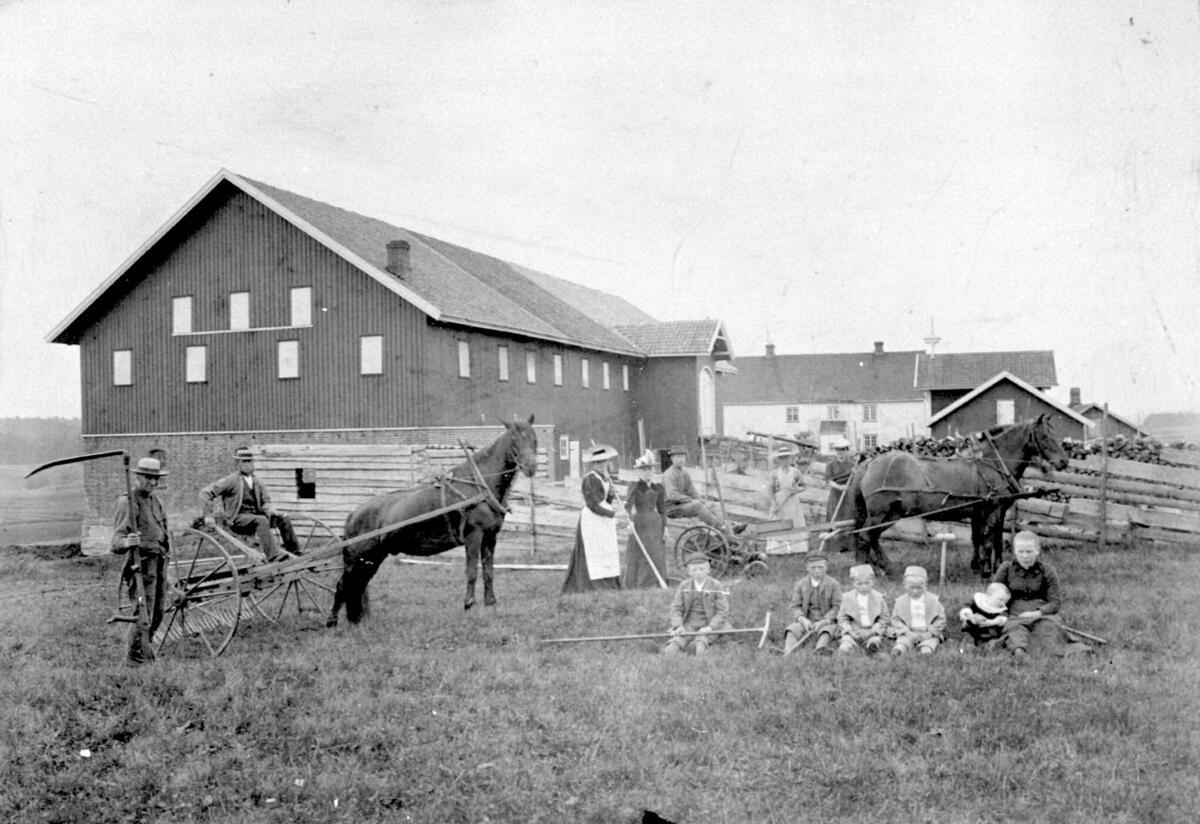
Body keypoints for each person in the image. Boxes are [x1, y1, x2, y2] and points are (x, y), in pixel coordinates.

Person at [111, 457, 170, 665]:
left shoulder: (156, 501)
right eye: (148, 478)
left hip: (159, 564)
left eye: (156, 479)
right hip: (141, 565)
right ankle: (134, 661)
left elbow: (163, 531)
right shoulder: (128, 501)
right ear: (137, 477)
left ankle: (145, 651)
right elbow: (116, 542)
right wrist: (128, 541)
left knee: (158, 613)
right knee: (142, 614)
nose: (153, 483)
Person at [200, 446, 300, 561]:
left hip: (256, 517)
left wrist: (270, 510)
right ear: (238, 463)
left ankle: (296, 553)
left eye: (250, 461)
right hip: (238, 520)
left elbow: (266, 500)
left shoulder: (257, 482)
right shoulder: (230, 480)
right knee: (261, 520)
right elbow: (205, 493)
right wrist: (208, 515)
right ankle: (274, 556)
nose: (247, 464)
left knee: (283, 517)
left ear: (253, 463)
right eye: (244, 462)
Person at [990, 531, 1067, 660]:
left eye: (1029, 552)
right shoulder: (1006, 569)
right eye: (1021, 551)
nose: (1025, 556)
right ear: (1015, 551)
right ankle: (1019, 653)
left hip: (1042, 615)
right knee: (1016, 632)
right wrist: (1002, 616)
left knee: (1047, 630)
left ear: (1037, 550)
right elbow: (994, 596)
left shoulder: (1047, 571)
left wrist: (1037, 613)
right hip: (1015, 615)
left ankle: (1050, 655)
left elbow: (1055, 602)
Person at [562, 444, 623, 594]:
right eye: (598, 462)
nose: (602, 465)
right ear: (594, 464)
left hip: (603, 519)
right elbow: (592, 505)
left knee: (606, 550)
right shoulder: (590, 479)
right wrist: (612, 515)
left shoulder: (605, 478)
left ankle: (608, 584)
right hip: (592, 519)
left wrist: (610, 495)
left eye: (604, 462)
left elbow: (604, 502)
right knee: (593, 550)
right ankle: (590, 585)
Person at [661, 446, 745, 539]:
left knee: (713, 505)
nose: (681, 460)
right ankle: (720, 527)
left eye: (683, 457)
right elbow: (672, 495)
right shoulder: (669, 474)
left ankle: (725, 526)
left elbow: (691, 490)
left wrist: (701, 500)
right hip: (672, 509)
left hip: (684, 505)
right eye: (678, 457)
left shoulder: (684, 473)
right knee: (697, 505)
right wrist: (690, 500)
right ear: (672, 459)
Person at [664, 553, 729, 656]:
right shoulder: (684, 585)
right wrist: (678, 626)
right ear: (689, 572)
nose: (698, 573)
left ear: (708, 570)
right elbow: (676, 608)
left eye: (701, 569)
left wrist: (711, 627)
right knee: (675, 643)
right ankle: (666, 651)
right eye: (694, 570)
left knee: (701, 643)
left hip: (708, 623)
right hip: (689, 624)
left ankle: (696, 647)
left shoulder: (716, 585)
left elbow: (722, 610)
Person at [621, 450, 668, 589]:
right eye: (644, 470)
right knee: (640, 553)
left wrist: (665, 527)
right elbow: (628, 506)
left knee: (655, 552)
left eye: (649, 469)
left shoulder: (658, 487)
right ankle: (639, 583)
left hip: (655, 523)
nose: (647, 472)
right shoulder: (634, 486)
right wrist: (629, 522)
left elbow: (662, 509)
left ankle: (655, 582)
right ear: (639, 472)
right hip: (640, 523)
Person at [782, 552, 840, 654]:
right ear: (807, 568)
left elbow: (837, 607)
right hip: (807, 622)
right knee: (792, 629)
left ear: (826, 567)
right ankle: (788, 650)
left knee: (826, 632)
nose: (817, 570)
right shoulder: (800, 584)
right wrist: (802, 619)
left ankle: (820, 649)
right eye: (813, 567)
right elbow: (795, 606)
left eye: (820, 567)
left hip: (827, 622)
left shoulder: (834, 584)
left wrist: (824, 621)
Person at [887, 566, 947, 656]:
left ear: (925, 586)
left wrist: (930, 632)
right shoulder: (900, 602)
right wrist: (906, 631)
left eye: (919, 588)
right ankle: (899, 650)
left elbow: (941, 619)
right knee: (902, 641)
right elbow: (895, 619)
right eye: (912, 588)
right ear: (905, 586)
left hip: (927, 632)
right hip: (909, 631)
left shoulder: (933, 601)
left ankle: (926, 650)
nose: (915, 591)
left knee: (930, 642)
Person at [835, 564, 889, 655]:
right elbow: (842, 618)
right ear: (853, 584)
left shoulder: (879, 598)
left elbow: (884, 617)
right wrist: (850, 631)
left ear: (872, 582)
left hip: (872, 628)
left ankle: (872, 645)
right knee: (846, 639)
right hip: (855, 629)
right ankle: (846, 647)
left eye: (867, 583)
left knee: (876, 638)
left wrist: (872, 630)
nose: (864, 587)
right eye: (859, 584)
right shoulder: (847, 598)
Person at [765, 448, 808, 554]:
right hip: (779, 500)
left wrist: (796, 490)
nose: (784, 460)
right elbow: (770, 490)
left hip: (792, 501)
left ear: (790, 459)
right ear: (779, 460)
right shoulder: (774, 473)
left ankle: (796, 548)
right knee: (779, 523)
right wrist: (774, 503)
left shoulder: (795, 472)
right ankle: (779, 549)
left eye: (786, 458)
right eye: (782, 458)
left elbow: (803, 486)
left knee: (794, 522)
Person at [958, 582, 1011, 652]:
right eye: (1001, 599)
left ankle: (990, 647)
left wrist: (991, 622)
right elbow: (966, 607)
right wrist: (970, 616)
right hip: (972, 629)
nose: (1003, 603)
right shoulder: (978, 601)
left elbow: (1002, 619)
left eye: (1005, 601)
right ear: (990, 595)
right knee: (968, 637)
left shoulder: (1001, 610)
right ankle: (968, 647)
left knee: (993, 641)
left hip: (989, 633)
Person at [824, 438, 856, 553]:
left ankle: (848, 546)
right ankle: (835, 546)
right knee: (835, 516)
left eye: (843, 450)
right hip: (836, 494)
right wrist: (839, 487)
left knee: (848, 516)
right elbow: (828, 480)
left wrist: (849, 486)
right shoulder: (831, 465)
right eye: (838, 450)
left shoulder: (852, 465)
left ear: (847, 451)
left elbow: (855, 480)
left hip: (848, 494)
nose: (840, 452)